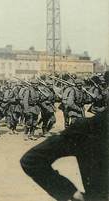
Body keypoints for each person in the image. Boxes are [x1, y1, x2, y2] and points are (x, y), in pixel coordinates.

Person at [20, 71, 109, 201]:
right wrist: (69, 192)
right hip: (73, 112)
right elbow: (33, 160)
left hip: (78, 112)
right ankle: (31, 132)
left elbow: (32, 160)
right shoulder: (89, 128)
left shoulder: (87, 126)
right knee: (34, 122)